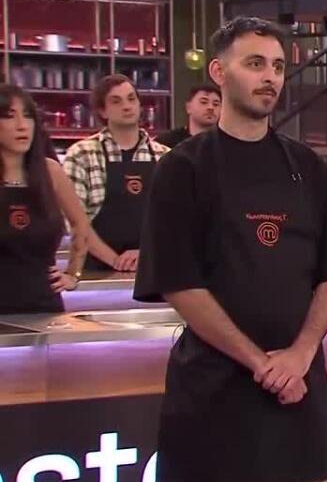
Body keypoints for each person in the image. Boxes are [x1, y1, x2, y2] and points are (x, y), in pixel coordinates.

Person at [133, 16, 327, 482]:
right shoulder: (183, 170)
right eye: (255, 64)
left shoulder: (309, 168)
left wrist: (300, 355)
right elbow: (180, 284)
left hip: (299, 400)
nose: (270, 77)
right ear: (219, 72)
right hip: (214, 401)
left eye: (277, 66)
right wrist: (261, 363)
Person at [62, 74, 169, 273]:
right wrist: (116, 261)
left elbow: (177, 220)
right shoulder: (81, 154)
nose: (127, 106)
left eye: (131, 99)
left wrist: (145, 254)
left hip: (155, 269)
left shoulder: (166, 156)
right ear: (102, 111)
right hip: (95, 273)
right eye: (116, 101)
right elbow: (75, 221)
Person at [0, 85, 92, 313]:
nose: (22, 125)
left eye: (28, 116)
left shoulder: (51, 172)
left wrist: (73, 274)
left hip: (43, 305)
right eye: (9, 116)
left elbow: (81, 224)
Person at [157, 84, 221, 148]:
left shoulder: (225, 143)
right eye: (204, 102)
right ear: (188, 107)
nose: (211, 107)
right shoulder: (166, 142)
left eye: (216, 104)